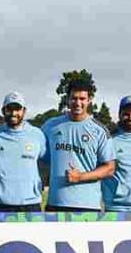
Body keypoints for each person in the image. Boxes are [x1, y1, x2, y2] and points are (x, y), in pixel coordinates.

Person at [41, 80, 115, 212]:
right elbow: (41, 158)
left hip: (87, 206)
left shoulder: (99, 130)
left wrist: (80, 177)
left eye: (82, 98)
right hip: (55, 203)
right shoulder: (50, 126)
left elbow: (109, 168)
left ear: (89, 100)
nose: (78, 103)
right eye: (74, 98)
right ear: (67, 99)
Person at [0, 92, 47, 212]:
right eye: (9, 109)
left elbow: (45, 162)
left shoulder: (37, 134)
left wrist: (38, 184)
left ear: (24, 111)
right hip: (0, 204)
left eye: (17, 109)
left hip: (31, 204)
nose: (13, 113)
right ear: (3, 111)